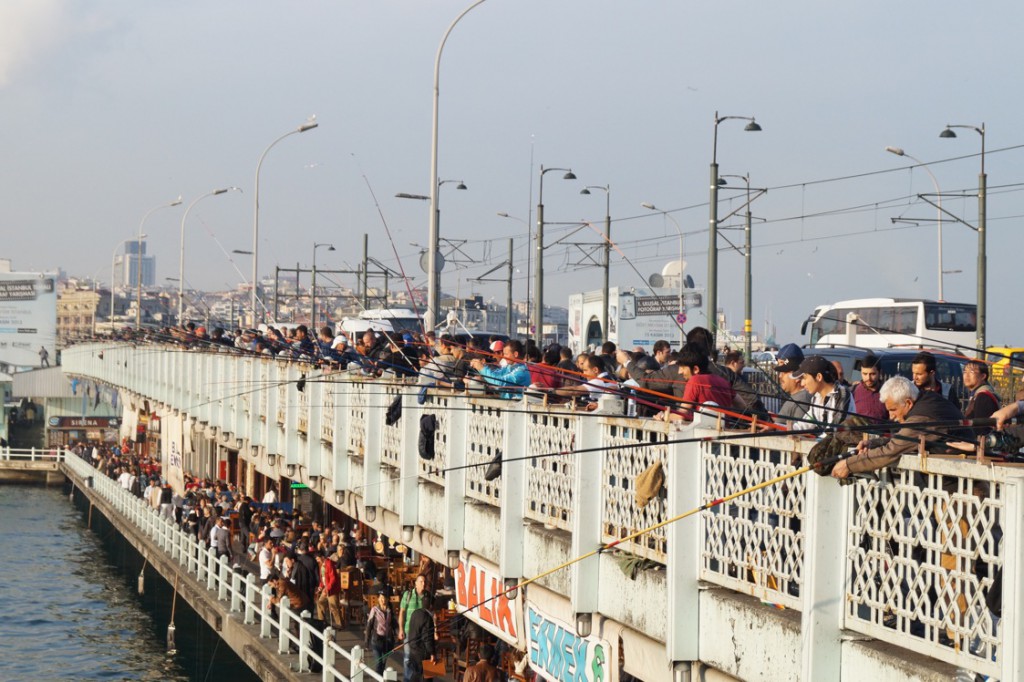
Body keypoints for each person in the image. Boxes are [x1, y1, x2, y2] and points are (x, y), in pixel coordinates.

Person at [831, 375, 970, 478]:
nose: (891, 416)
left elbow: (891, 451)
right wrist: (874, 444)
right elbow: (903, 440)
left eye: (893, 410)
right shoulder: (927, 399)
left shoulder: (922, 418)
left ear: (908, 403)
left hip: (962, 489)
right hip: (951, 485)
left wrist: (848, 465)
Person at [657, 343, 735, 422]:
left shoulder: (695, 381)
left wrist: (663, 416)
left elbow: (681, 416)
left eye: (682, 367)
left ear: (695, 369)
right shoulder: (724, 381)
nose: (679, 372)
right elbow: (742, 405)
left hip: (704, 433)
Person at [799, 355, 853, 426]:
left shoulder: (842, 394)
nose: (802, 383)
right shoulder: (816, 397)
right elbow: (807, 423)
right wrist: (790, 428)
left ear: (819, 377)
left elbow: (833, 429)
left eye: (804, 378)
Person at [399, 575, 429, 681]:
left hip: (423, 634)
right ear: (416, 583)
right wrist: (401, 629)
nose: (423, 584)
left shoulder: (428, 597)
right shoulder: (408, 595)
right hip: (408, 632)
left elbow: (432, 614)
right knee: (408, 658)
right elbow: (402, 612)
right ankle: (407, 680)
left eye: (424, 581)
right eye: (421, 581)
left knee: (424, 659)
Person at [773, 345, 811, 429]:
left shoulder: (803, 399)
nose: (780, 376)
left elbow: (797, 434)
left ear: (797, 376)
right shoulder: (796, 397)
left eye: (784, 372)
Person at [404, 592, 436, 682]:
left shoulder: (415, 613)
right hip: (422, 651)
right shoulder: (427, 618)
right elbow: (427, 638)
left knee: (416, 673)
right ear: (431, 605)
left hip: (413, 648)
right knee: (426, 676)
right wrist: (432, 653)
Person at [365, 592, 397, 675]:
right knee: (378, 662)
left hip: (387, 641)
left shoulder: (390, 611)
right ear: (378, 599)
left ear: (387, 599)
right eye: (381, 598)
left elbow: (394, 625)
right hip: (376, 640)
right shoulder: (374, 610)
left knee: (383, 664)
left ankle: (381, 678)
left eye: (385, 598)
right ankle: (378, 678)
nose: (383, 600)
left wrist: (397, 635)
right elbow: (369, 626)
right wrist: (366, 643)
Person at [962, 360, 1000, 426]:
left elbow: (981, 428)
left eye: (971, 372)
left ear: (983, 376)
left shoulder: (983, 396)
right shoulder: (977, 394)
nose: (966, 375)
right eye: (965, 372)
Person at [851, 354, 887, 422]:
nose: (868, 378)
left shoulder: (888, 391)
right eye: (864, 374)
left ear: (880, 372)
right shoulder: (853, 392)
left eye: (872, 374)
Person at [315, 553, 343, 628]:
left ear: (322, 557)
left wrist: (328, 588)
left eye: (318, 558)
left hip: (331, 589)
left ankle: (340, 624)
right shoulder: (321, 564)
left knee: (334, 607)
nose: (317, 560)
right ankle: (322, 622)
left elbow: (333, 578)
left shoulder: (329, 563)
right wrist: (321, 587)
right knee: (320, 603)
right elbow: (322, 578)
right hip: (326, 588)